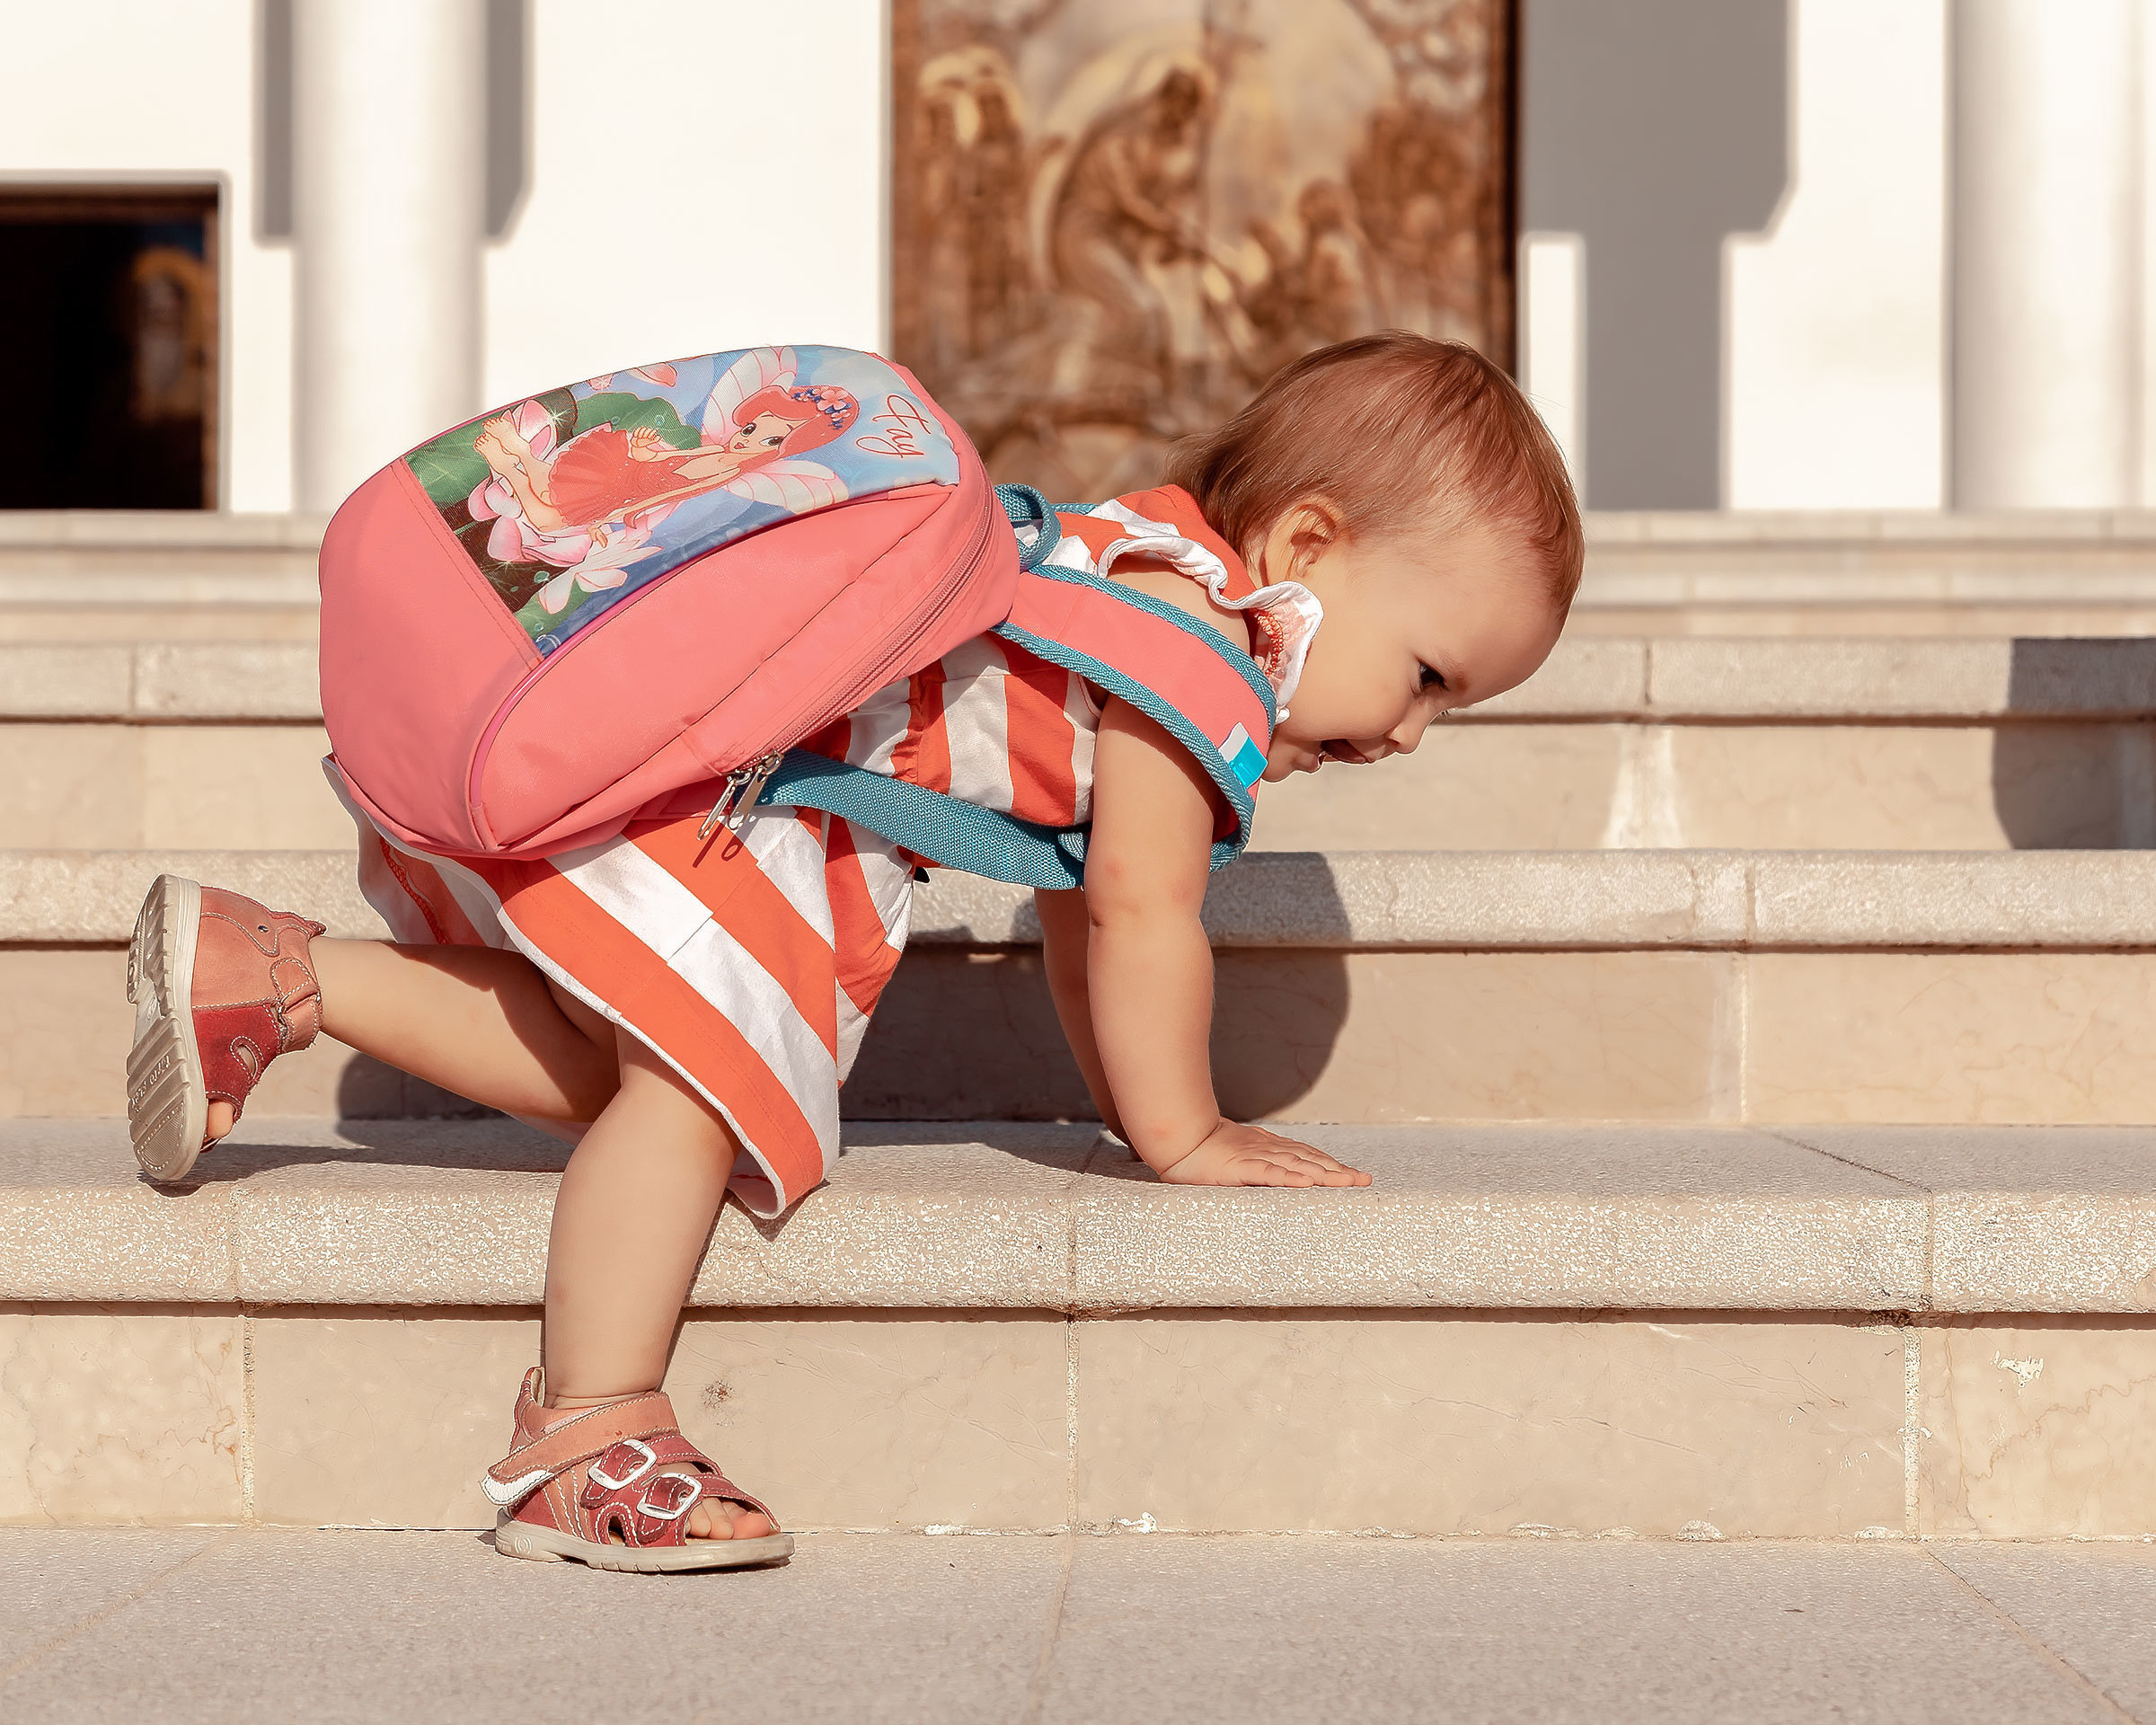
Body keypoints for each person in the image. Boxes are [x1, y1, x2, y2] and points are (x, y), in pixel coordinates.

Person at [121, 332, 1581, 1571]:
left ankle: (271, 975)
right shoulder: (1200, 655)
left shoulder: (1123, 565)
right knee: (692, 1106)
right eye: (1429, 675)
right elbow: (1144, 909)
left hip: (709, 780)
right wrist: (1186, 1134)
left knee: (622, 1076)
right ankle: (587, 1428)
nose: (1406, 733)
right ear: (1307, 545)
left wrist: (1130, 1116)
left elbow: (1079, 903)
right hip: (743, 813)